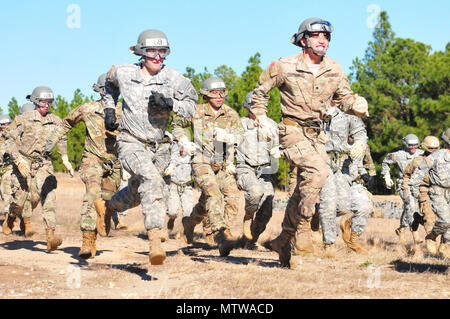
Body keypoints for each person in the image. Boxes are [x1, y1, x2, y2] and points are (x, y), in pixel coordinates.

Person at [251, 18, 369, 268]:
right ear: (303, 40)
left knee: (306, 186)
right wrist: (260, 117)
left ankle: (284, 238)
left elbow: (344, 98)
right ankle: (300, 228)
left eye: (326, 37)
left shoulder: (335, 69)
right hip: (292, 130)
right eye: (316, 36)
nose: (322, 40)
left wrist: (356, 105)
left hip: (318, 135)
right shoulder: (283, 65)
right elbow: (259, 93)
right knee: (319, 172)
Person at [94, 29, 198, 266]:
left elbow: (193, 107)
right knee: (151, 182)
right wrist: (110, 109)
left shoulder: (174, 78)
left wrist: (171, 104)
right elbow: (109, 86)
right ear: (141, 51)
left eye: (163, 51)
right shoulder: (123, 71)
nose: (158, 56)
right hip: (130, 141)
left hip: (159, 147)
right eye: (152, 50)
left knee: (139, 192)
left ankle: (108, 207)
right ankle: (155, 241)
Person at [45, 73, 123, 259]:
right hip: (92, 159)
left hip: (115, 163)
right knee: (92, 194)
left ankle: (103, 220)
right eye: (107, 91)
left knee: (108, 200)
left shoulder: (127, 110)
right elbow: (66, 123)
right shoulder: (89, 108)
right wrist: (51, 141)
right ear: (100, 91)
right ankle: (87, 240)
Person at [172, 77, 244, 257]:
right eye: (214, 93)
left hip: (223, 163)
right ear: (205, 94)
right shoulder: (195, 111)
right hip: (201, 160)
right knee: (214, 194)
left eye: (222, 92)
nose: (219, 96)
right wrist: (183, 140)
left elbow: (240, 135)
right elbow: (177, 124)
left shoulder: (231, 114)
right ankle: (222, 235)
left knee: (230, 198)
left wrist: (229, 137)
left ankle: (190, 223)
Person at [3, 86, 73, 252]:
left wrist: (65, 157)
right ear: (35, 101)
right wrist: (18, 159)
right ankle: (11, 217)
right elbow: (8, 141)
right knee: (19, 201)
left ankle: (50, 237)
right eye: (43, 101)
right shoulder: (24, 119)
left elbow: (61, 138)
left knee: (49, 197)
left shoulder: (55, 120)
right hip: (23, 164)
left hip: (44, 164)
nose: (46, 105)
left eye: (49, 102)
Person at [317, 106, 370, 257]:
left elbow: (360, 132)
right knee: (329, 203)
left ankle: (317, 215)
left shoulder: (348, 114)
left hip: (341, 165)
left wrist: (360, 144)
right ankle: (329, 244)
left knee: (344, 206)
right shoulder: (316, 107)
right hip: (322, 159)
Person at [235, 91, 280, 249]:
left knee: (267, 209)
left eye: (263, 106)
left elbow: (281, 145)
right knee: (254, 192)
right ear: (248, 107)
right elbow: (224, 144)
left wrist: (278, 150)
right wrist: (226, 162)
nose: (260, 109)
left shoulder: (273, 125)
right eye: (256, 105)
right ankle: (248, 217)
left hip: (266, 171)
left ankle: (251, 241)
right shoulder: (240, 124)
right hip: (245, 168)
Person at [409, 129, 449, 258]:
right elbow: (420, 170)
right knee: (445, 220)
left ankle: (445, 243)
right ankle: (432, 236)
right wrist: (414, 188)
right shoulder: (437, 156)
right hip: (438, 191)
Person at [381, 134, 424, 249]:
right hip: (403, 184)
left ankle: (401, 229)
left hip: (418, 185)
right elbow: (385, 162)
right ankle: (415, 233)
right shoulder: (399, 155)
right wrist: (386, 176)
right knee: (410, 205)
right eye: (410, 145)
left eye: (415, 145)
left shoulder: (422, 154)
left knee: (411, 208)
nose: (413, 147)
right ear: (406, 145)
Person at [402, 135, 440, 255]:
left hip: (441, 191)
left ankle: (418, 218)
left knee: (443, 218)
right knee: (429, 218)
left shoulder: (443, 158)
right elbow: (407, 175)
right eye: (430, 149)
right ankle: (434, 247)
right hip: (424, 191)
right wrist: (406, 190)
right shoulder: (417, 161)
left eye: (435, 149)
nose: (432, 151)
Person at [163, 139, 195, 239]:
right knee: (172, 212)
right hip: (173, 186)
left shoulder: (192, 157)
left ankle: (182, 233)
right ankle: (170, 225)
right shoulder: (171, 157)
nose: (182, 148)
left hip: (187, 187)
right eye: (180, 146)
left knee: (188, 213)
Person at [0, 114, 13, 218]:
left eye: (8, 123)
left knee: (7, 190)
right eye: (3, 124)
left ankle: (8, 214)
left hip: (7, 167)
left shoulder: (12, 136)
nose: (6, 126)